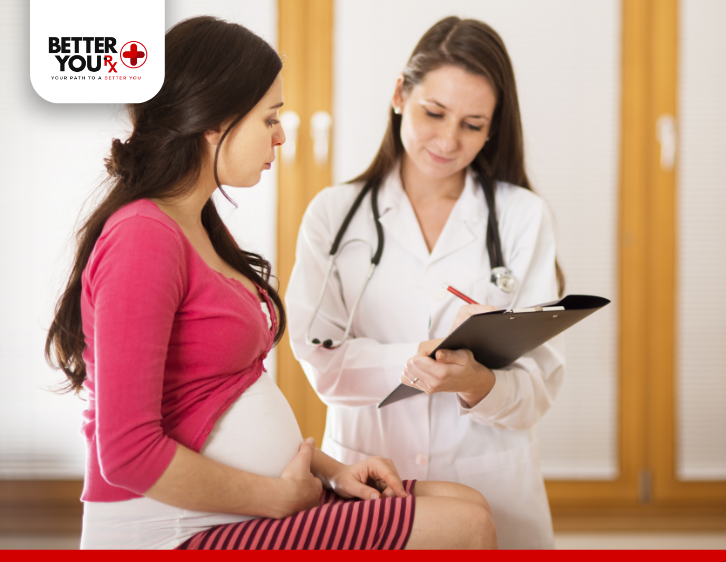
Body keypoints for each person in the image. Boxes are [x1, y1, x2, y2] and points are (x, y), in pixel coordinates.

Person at [44, 16, 497, 550]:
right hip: (173, 529)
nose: (281, 135)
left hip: (235, 510)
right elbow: (126, 454)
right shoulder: (144, 238)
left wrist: (332, 471)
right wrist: (275, 499)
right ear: (214, 122)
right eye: (270, 118)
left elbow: (223, 389)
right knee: (466, 528)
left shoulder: (196, 226)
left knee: (467, 503)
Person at [286, 16, 565, 549]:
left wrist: (478, 385)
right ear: (399, 94)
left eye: (472, 123)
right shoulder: (335, 214)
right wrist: (421, 358)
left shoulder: (521, 218)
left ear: (493, 128)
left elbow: (538, 384)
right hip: (369, 486)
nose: (447, 140)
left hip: (490, 478)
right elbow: (320, 357)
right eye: (433, 113)